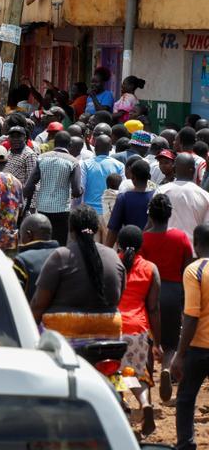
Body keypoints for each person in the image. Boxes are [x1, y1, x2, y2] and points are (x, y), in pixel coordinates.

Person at [31, 204, 125, 346]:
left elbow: (38, 304)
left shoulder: (60, 256)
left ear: (71, 230)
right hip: (109, 332)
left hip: (63, 337)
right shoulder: (113, 256)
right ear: (96, 229)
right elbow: (118, 297)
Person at [142, 193, 193, 403]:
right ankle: (166, 368)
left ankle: (149, 392)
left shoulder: (143, 238)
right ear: (170, 214)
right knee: (171, 342)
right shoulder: (180, 237)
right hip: (173, 292)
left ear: (150, 215)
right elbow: (188, 267)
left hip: (149, 294)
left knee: (148, 342)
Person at [116, 225, 162, 435]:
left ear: (118, 243)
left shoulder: (112, 263)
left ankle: (123, 413)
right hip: (138, 328)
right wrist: (157, 342)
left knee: (116, 373)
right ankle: (144, 403)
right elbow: (153, 308)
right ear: (141, 245)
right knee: (137, 373)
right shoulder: (151, 268)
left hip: (114, 326)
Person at [172, 224, 209, 450]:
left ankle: (186, 445)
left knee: (185, 398)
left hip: (199, 347)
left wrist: (179, 354)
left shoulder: (194, 270)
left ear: (195, 244)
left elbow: (191, 315)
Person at [24, 131, 80, 245]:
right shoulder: (73, 162)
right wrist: (81, 190)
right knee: (60, 242)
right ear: (69, 145)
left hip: (43, 208)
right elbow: (76, 191)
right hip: (62, 209)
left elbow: (29, 185)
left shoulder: (41, 158)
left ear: (54, 143)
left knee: (44, 240)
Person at [157, 152, 209, 242]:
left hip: (166, 248)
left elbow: (153, 223)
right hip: (194, 251)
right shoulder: (204, 196)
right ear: (193, 170)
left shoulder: (161, 191)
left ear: (174, 168)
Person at [15, 214, 60, 300]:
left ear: (29, 235)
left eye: (20, 235)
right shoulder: (66, 256)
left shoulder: (22, 261)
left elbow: (15, 299)